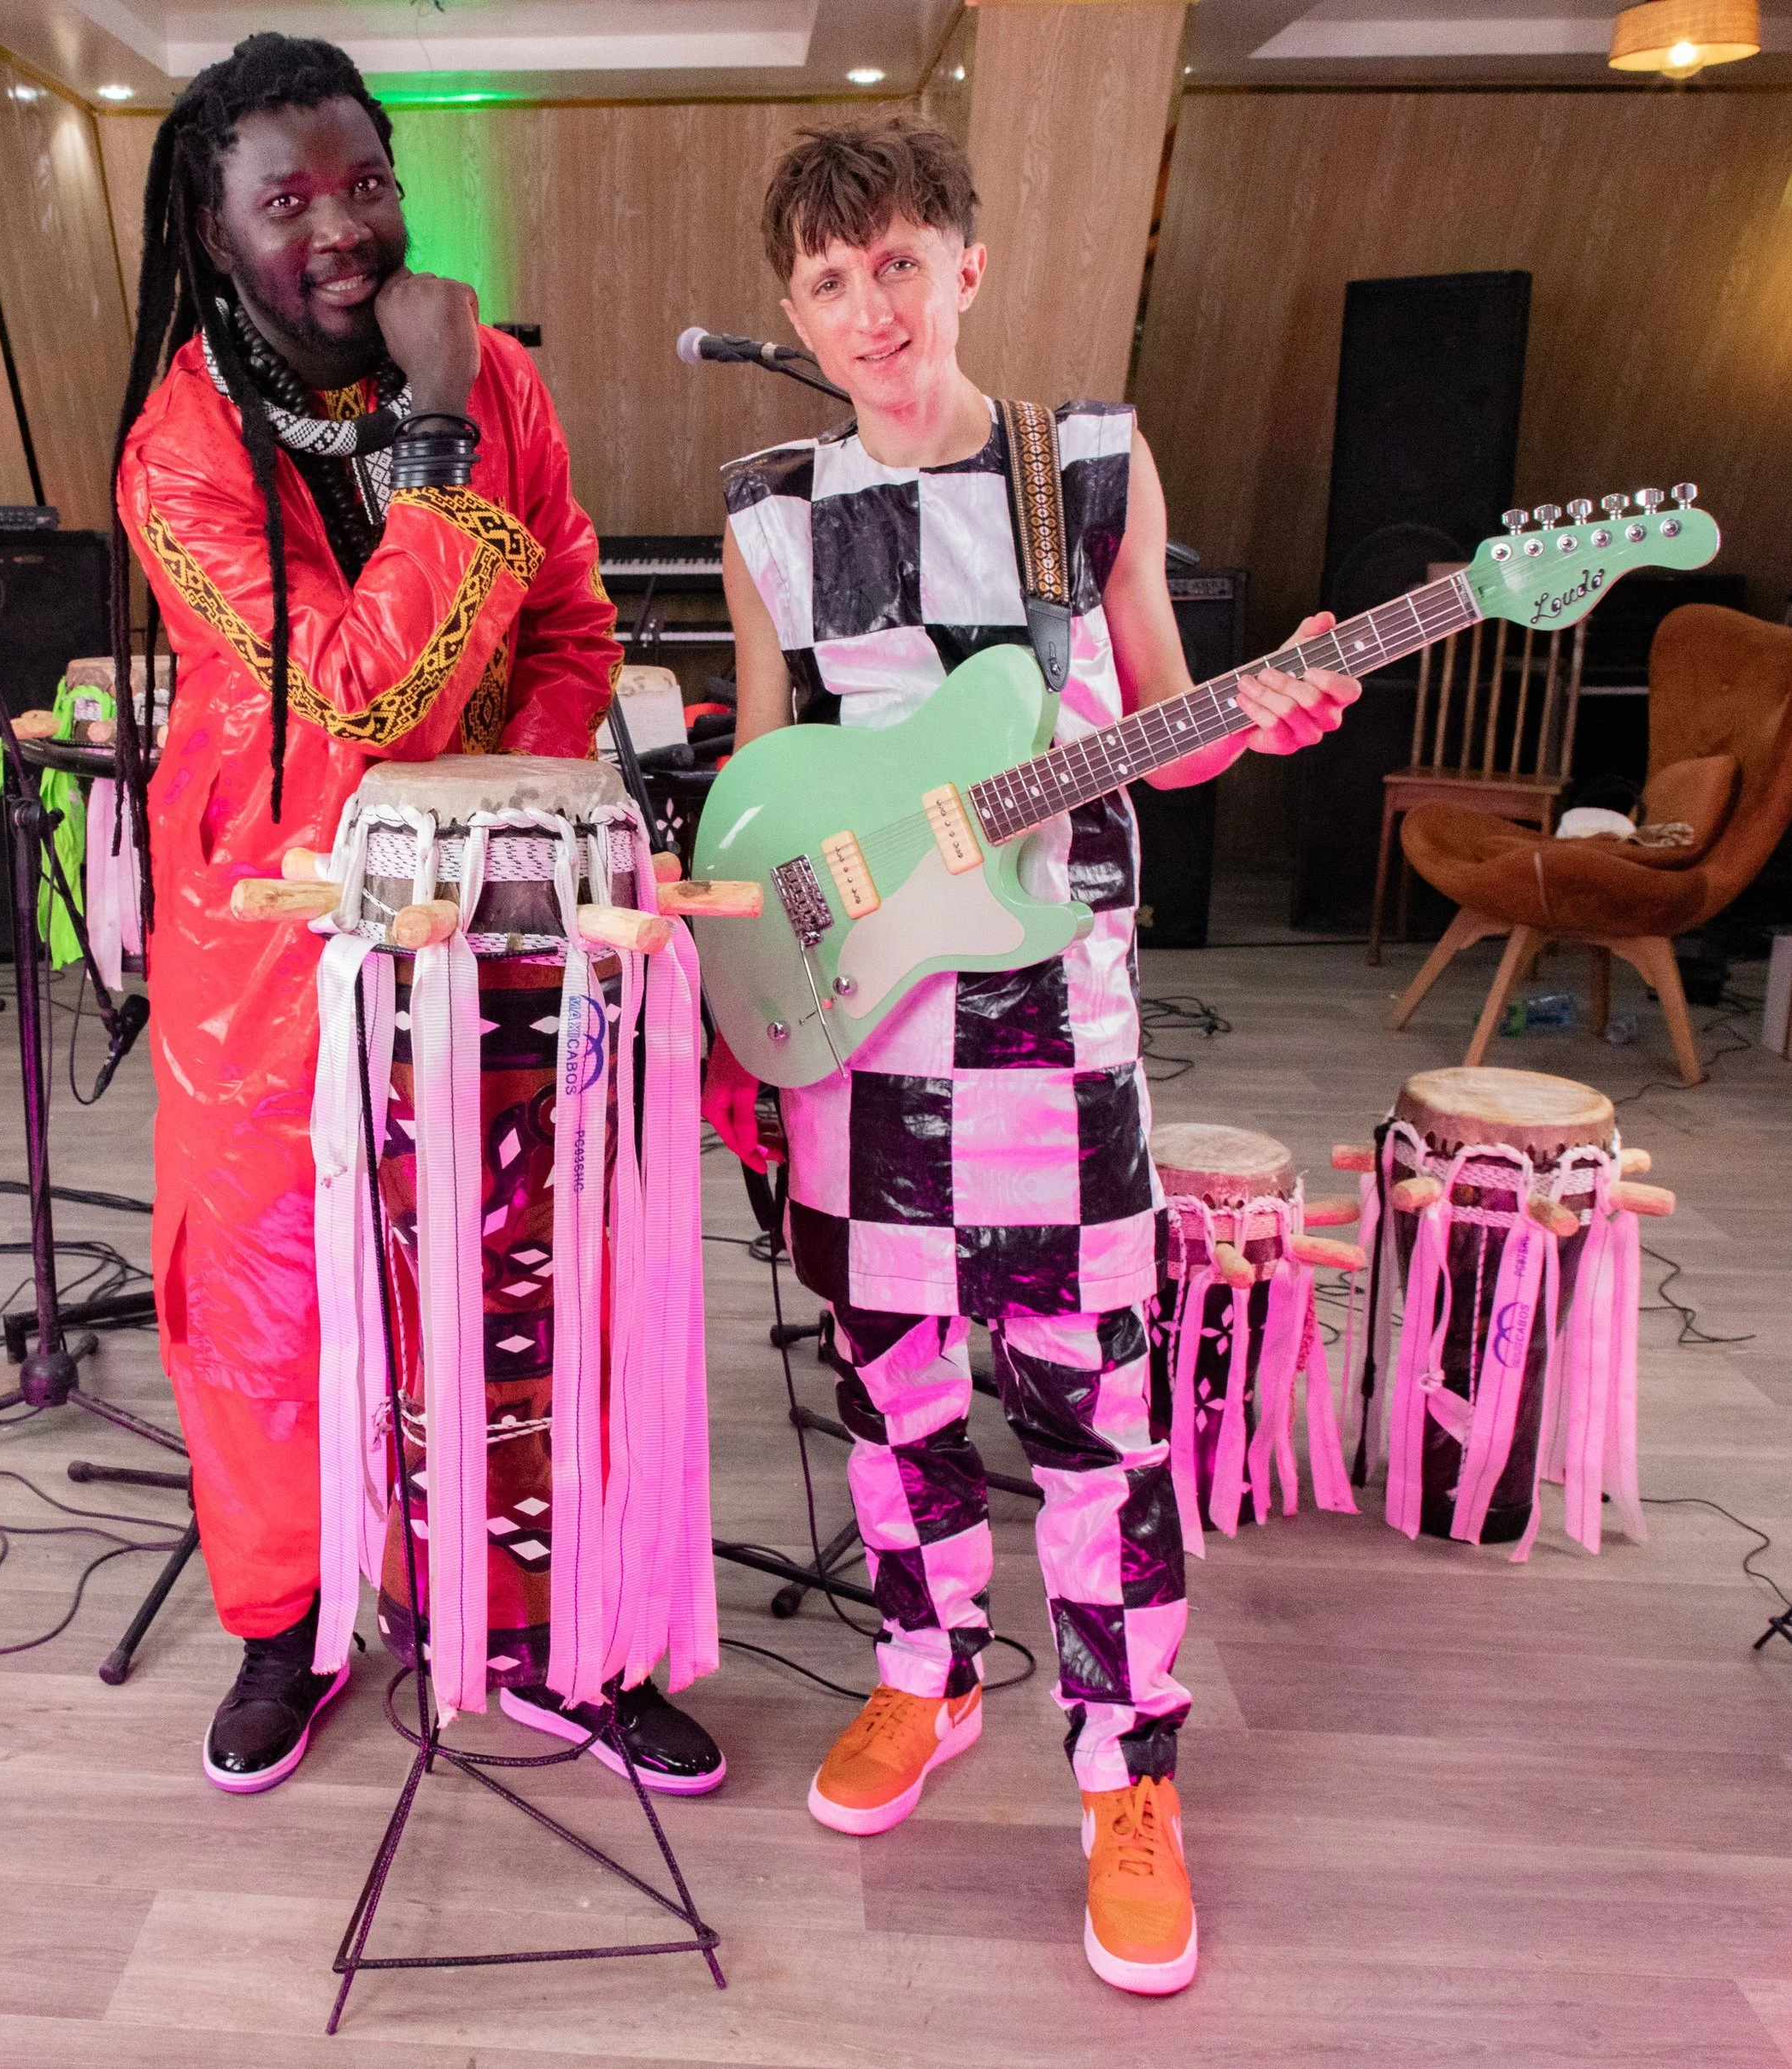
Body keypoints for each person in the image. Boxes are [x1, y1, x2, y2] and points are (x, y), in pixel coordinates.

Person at [705, 112, 1360, 1996]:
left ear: (964, 266)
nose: (868, 309)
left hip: (1052, 1014)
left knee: (1093, 1411)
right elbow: (760, 795)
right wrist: (743, 994)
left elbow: (1165, 726)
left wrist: (1274, 709)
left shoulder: (1082, 456)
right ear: (793, 308)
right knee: (892, 1385)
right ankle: (923, 1675)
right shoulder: (766, 504)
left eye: (897, 264)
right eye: (829, 283)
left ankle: (1128, 1766)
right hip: (862, 1028)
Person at [112, 32, 722, 1798]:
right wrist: (442, 417)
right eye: (283, 199)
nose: (340, 227)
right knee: (267, 1294)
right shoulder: (181, 451)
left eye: (362, 182)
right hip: (268, 938)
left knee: (522, 1276)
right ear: (214, 229)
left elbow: (574, 633)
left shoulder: (502, 382)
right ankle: (288, 1624)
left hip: (497, 920)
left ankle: (550, 1631)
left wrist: (494, 839)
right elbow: (360, 698)